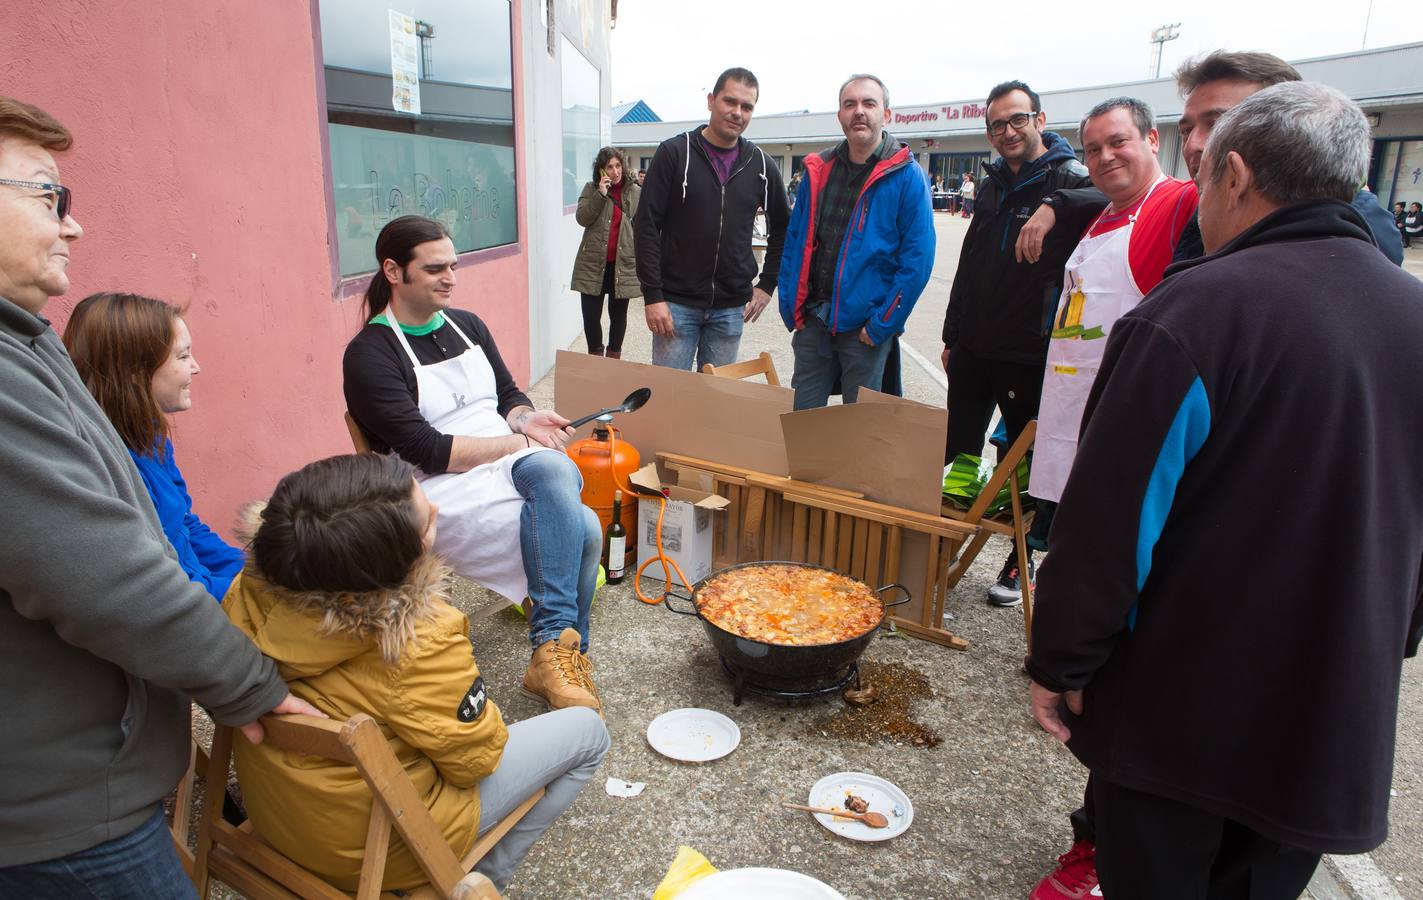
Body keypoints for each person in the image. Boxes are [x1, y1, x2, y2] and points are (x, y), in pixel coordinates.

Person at [1027, 80, 1423, 899]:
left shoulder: (1195, 313)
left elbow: (1110, 524)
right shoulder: (1412, 312)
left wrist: (1063, 661)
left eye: (1201, 175)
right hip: (1331, 707)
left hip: (1184, 712)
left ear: (1235, 177)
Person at [0, 95, 313, 898]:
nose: (70, 224)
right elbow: (107, 573)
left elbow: (183, 541)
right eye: (47, 195)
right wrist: (250, 681)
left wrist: (255, 584)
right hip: (64, 815)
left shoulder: (29, 346)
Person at [226, 453, 610, 894]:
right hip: (382, 849)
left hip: (288, 819)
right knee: (589, 732)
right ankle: (479, 879)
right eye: (424, 521)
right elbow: (478, 759)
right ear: (391, 565)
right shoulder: (413, 638)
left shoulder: (248, 589)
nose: (437, 511)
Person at [343, 215, 604, 713]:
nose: (450, 278)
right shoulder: (370, 354)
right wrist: (517, 443)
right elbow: (427, 450)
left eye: (454, 266)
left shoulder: (467, 326)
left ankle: (554, 652)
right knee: (582, 521)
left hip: (503, 462)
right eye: (435, 268)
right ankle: (559, 651)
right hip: (435, 486)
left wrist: (526, 418)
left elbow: (508, 395)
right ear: (394, 272)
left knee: (566, 489)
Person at [940, 79, 1093, 608]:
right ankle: (941, 549)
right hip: (976, 347)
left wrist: (1054, 204)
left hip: (1030, 350)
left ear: (1040, 121)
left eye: (1017, 120)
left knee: (1025, 464)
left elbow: (1113, 192)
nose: (1007, 131)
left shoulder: (1071, 176)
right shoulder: (991, 184)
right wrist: (952, 334)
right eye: (997, 124)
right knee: (957, 449)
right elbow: (971, 261)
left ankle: (1018, 561)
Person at [63, 292, 244, 603]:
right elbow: (160, 581)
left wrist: (255, 573)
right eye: (183, 356)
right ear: (135, 371)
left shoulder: (147, 436)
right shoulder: (104, 467)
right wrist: (243, 596)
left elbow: (186, 525)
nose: (196, 367)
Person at [777, 74, 934, 410]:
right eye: (850, 104)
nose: (859, 111)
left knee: (859, 430)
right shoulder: (820, 170)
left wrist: (882, 325)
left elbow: (917, 263)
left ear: (886, 115)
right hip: (813, 323)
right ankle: (807, 466)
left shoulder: (906, 176)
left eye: (868, 103)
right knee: (804, 422)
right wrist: (792, 307)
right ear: (840, 116)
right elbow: (794, 243)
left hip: (865, 330)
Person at [633, 67, 790, 371]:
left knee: (714, 403)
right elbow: (646, 226)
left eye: (747, 106)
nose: (737, 112)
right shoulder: (675, 153)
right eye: (730, 102)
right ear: (711, 101)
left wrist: (768, 283)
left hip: (730, 310)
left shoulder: (760, 164)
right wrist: (652, 295)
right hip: (675, 305)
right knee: (670, 398)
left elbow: (784, 228)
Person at [572, 146, 639, 360]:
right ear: (601, 170)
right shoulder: (591, 190)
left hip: (623, 265)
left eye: (618, 166)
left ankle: (613, 361)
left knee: (618, 317)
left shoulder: (635, 192)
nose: (615, 171)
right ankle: (594, 361)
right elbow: (582, 218)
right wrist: (600, 195)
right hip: (593, 265)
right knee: (591, 318)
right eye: (609, 167)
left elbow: (647, 224)